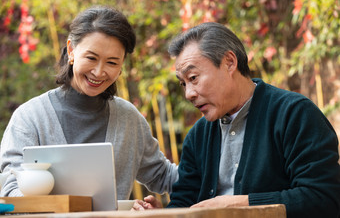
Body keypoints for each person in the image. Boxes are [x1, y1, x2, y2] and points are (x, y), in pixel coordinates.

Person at [132, 22, 340, 218]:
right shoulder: (198, 135)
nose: (189, 94)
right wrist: (164, 214)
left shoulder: (294, 114)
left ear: (229, 63)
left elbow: (323, 198)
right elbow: (185, 201)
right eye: (183, 84)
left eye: (193, 78)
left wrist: (239, 204)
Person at [0, 6, 178, 198]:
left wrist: (209, 148)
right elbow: (10, 191)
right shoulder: (30, 118)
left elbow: (164, 176)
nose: (99, 72)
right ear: (71, 50)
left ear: (121, 66)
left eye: (112, 62)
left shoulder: (129, 119)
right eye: (91, 58)